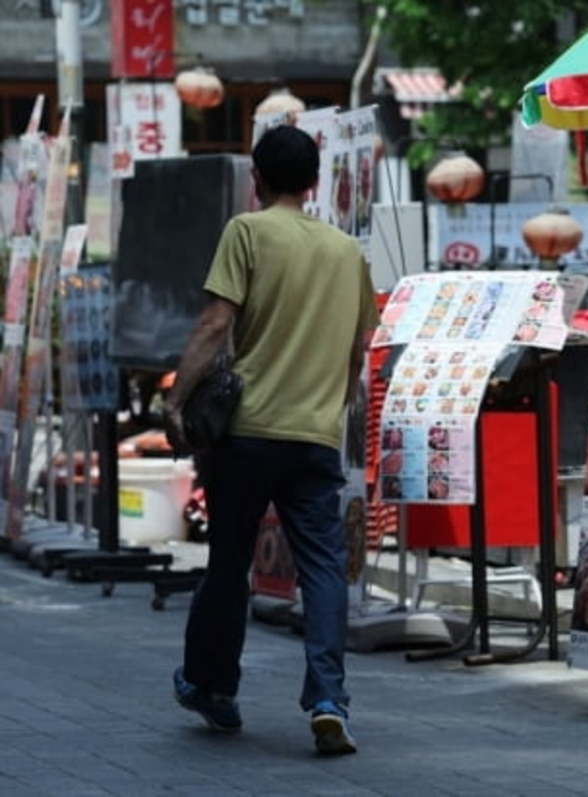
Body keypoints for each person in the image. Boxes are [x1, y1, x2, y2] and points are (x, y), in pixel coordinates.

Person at [164, 125, 379, 755]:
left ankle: (213, 688)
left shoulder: (247, 232)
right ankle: (329, 700)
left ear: (256, 179)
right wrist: (330, 409)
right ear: (315, 183)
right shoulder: (346, 251)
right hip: (315, 435)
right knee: (323, 568)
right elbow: (357, 350)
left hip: (249, 432)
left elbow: (214, 321)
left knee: (230, 563)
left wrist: (176, 399)